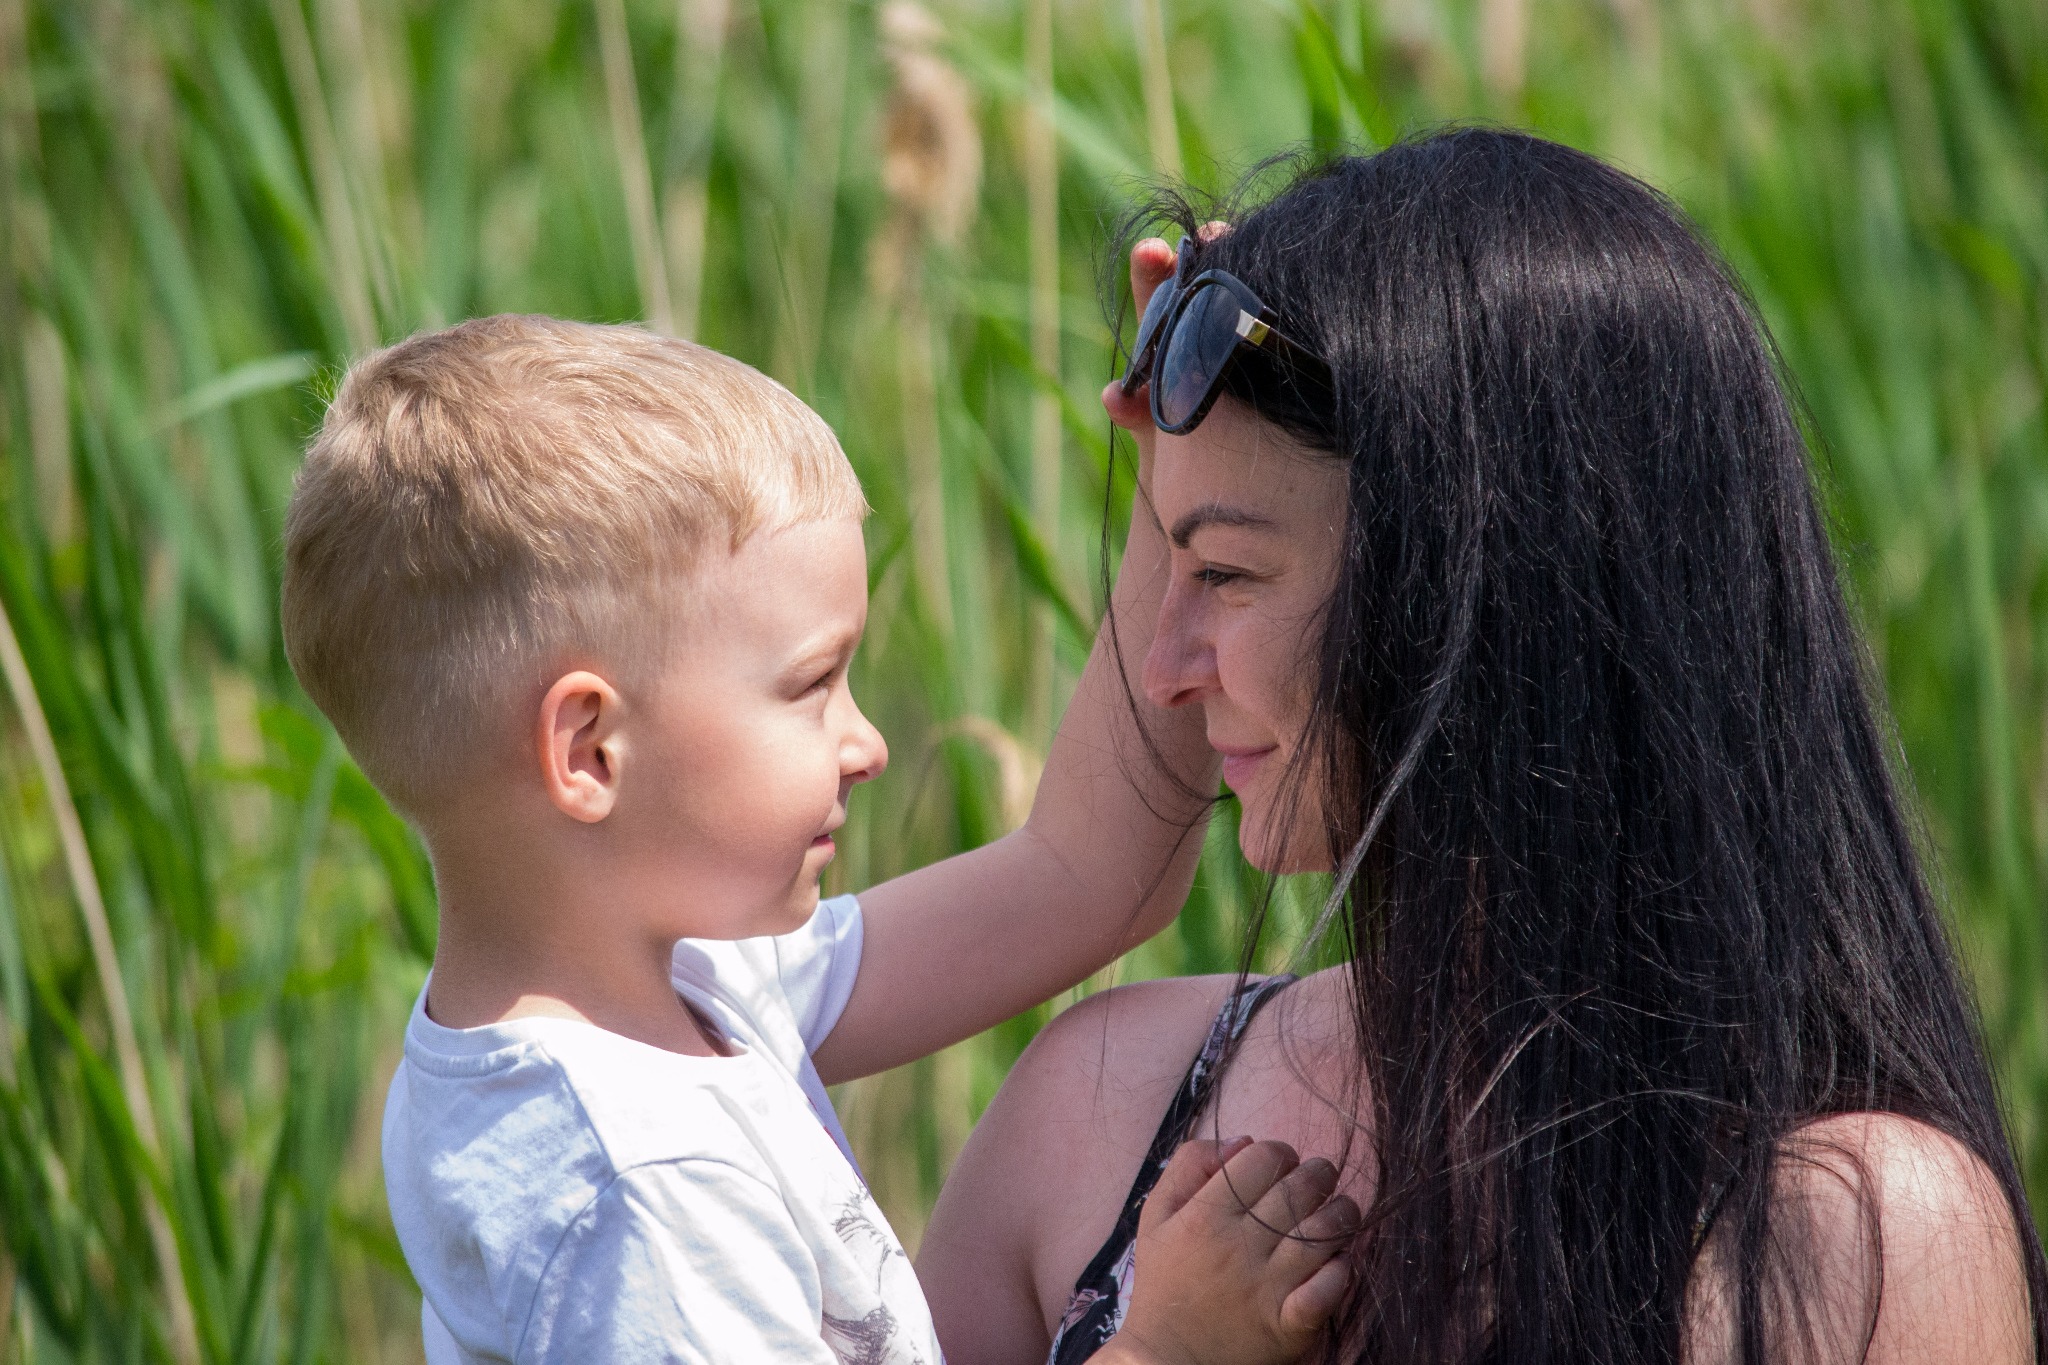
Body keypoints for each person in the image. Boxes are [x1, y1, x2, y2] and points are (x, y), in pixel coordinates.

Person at [918, 130, 2048, 1364]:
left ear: (1492, 597)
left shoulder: (1854, 1239)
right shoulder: (1096, 1107)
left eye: (1227, 574)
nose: (1162, 665)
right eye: (1166, 566)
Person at [279, 314, 1357, 1364]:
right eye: (809, 688)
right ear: (591, 750)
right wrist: (1164, 1344)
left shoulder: (685, 990)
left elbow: (1081, 880)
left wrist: (1173, 470)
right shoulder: (639, 1191)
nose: (867, 742)